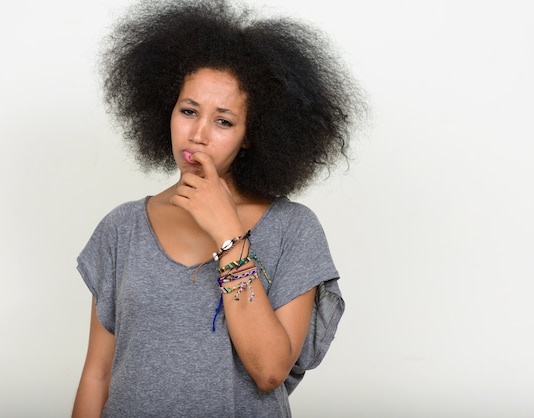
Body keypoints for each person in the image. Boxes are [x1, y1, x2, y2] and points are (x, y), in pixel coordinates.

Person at [72, 0, 365, 416]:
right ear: (166, 112)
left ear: (251, 135)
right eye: (188, 111)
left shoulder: (293, 229)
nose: (198, 134)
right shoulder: (123, 228)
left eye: (223, 121)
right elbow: (97, 375)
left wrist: (227, 233)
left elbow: (268, 371)